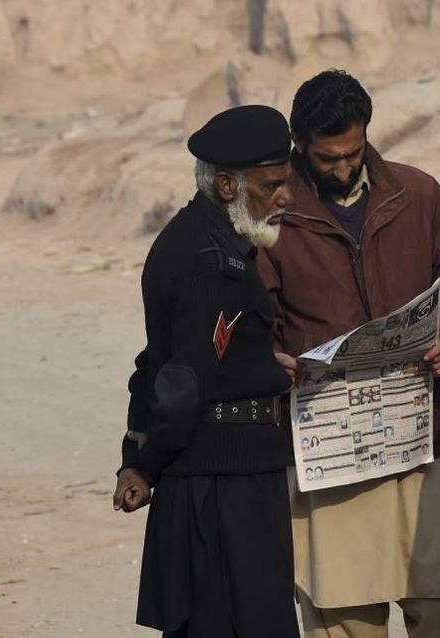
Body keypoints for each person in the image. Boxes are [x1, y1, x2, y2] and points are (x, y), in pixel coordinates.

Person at [260, 69, 440, 638]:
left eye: (353, 152)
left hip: (418, 441)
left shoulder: (417, 193)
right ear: (300, 146)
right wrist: (274, 363)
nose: (343, 168)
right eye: (326, 158)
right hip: (329, 456)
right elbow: (256, 323)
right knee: (343, 616)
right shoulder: (272, 215)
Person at [110, 105, 300, 637]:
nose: (285, 197)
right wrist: (145, 465)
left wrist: (261, 366)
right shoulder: (206, 259)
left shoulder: (217, 241)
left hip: (232, 477)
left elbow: (170, 358)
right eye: (272, 186)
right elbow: (178, 386)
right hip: (220, 489)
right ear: (226, 184)